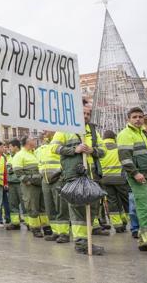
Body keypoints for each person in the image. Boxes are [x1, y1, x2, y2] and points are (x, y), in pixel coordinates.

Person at [51, 104, 106, 255]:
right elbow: (53, 148)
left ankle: (86, 240)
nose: (86, 116)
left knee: (92, 209)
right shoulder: (65, 130)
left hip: (93, 176)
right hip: (74, 176)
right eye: (83, 113)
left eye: (88, 114)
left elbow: (103, 151)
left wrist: (92, 150)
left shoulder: (93, 131)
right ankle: (81, 243)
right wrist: (74, 150)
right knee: (77, 211)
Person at [118, 109, 147, 256]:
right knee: (145, 209)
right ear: (129, 119)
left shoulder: (143, 134)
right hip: (138, 178)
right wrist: (135, 173)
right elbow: (125, 158)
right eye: (134, 117)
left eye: (140, 117)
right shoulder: (125, 134)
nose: (138, 119)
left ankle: (142, 241)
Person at [38, 131, 70, 243]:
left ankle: (64, 233)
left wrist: (61, 175)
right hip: (45, 180)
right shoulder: (42, 147)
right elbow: (40, 163)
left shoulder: (60, 140)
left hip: (58, 178)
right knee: (50, 208)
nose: (44, 132)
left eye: (46, 129)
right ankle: (55, 232)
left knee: (61, 207)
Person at [13, 137, 44, 238]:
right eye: (32, 140)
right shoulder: (19, 155)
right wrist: (27, 181)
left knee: (42, 207)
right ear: (27, 143)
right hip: (30, 185)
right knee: (32, 206)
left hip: (39, 183)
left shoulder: (33, 153)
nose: (35, 141)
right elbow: (17, 171)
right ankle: (35, 228)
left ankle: (46, 227)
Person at [99, 130, 130, 233]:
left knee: (112, 202)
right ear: (114, 137)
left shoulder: (100, 148)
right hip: (120, 179)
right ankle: (127, 221)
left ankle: (117, 226)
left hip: (106, 180)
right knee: (125, 201)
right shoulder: (118, 147)